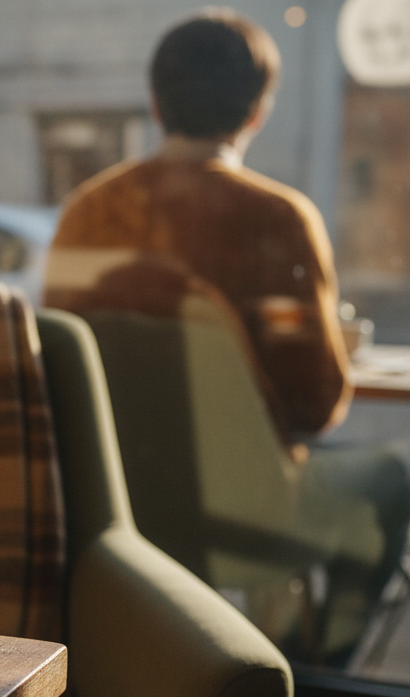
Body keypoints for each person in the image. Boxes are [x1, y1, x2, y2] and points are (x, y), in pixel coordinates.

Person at [42, 7, 408, 662]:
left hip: (106, 507)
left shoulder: (84, 216)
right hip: (246, 516)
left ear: (155, 103)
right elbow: (317, 407)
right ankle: (319, 667)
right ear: (257, 111)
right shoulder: (278, 220)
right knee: (394, 475)